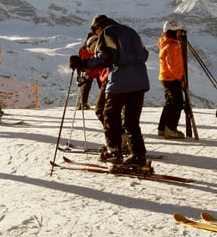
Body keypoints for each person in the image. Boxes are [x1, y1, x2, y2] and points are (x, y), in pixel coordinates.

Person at [69, 15, 150, 169]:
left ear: (99, 26)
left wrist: (82, 63)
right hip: (140, 80)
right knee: (132, 121)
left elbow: (104, 59)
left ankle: (114, 151)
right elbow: (145, 54)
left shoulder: (106, 33)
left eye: (94, 29)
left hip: (120, 80)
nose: (95, 33)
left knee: (110, 115)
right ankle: (138, 156)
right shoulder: (131, 32)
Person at [157, 21, 186, 139]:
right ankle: (170, 128)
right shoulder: (171, 46)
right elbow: (173, 66)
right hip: (171, 78)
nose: (179, 33)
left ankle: (162, 128)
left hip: (167, 77)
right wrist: (181, 79)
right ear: (173, 32)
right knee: (177, 103)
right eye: (178, 31)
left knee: (170, 103)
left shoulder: (168, 44)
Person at [75, 33, 98, 110]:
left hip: (88, 70)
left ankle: (83, 103)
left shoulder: (82, 49)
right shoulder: (99, 46)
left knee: (85, 86)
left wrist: (78, 75)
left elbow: (80, 62)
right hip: (99, 69)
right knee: (103, 86)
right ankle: (105, 102)